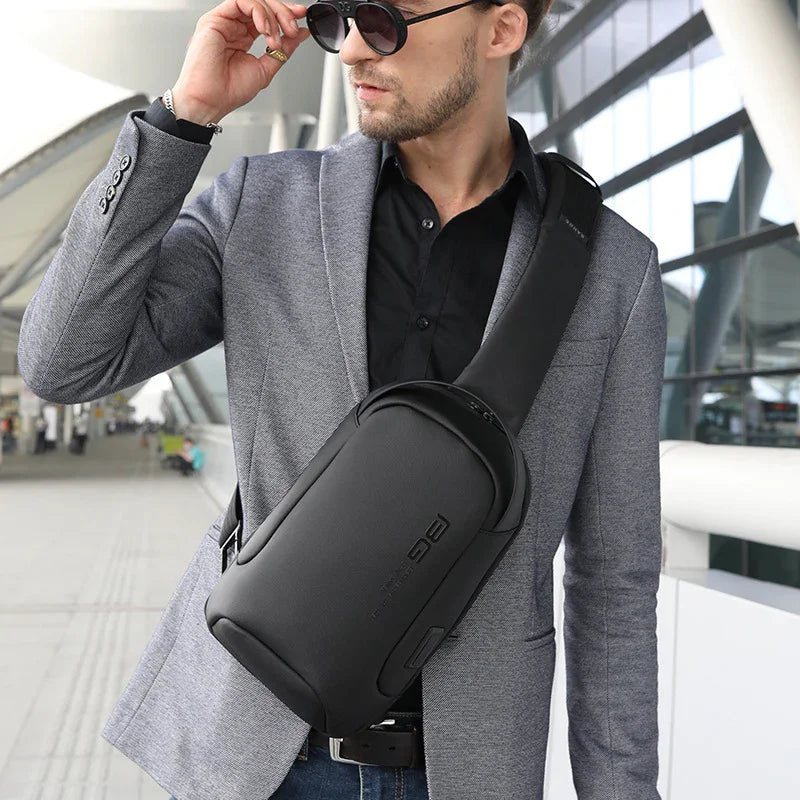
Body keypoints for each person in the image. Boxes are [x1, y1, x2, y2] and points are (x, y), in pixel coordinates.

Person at [15, 0, 667, 797]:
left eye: (388, 21)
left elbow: (615, 582)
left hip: (468, 766)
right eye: (338, 17)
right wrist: (185, 119)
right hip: (256, 750)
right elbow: (63, 362)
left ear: (500, 28)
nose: (353, 50)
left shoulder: (611, 272)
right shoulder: (262, 202)